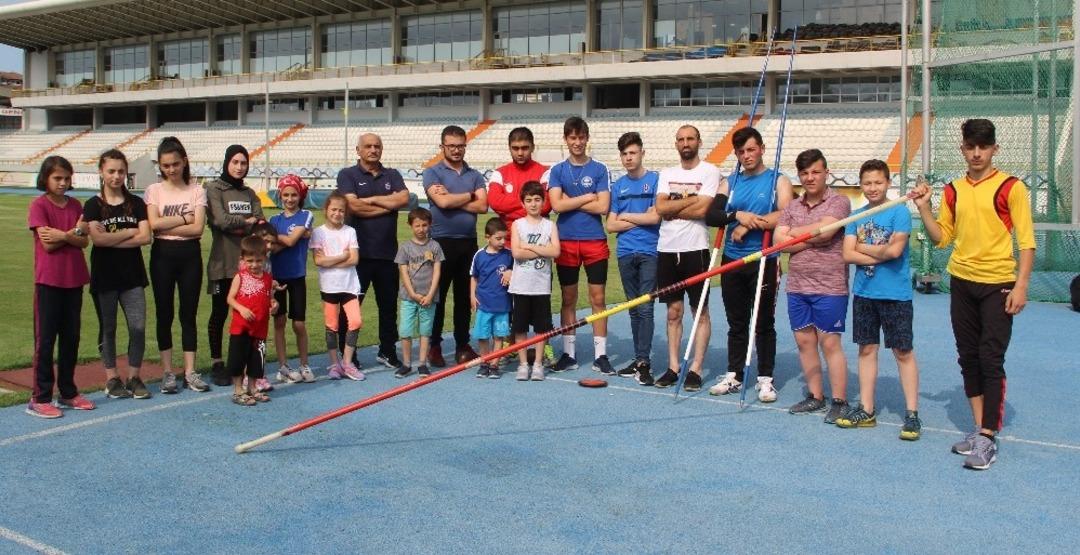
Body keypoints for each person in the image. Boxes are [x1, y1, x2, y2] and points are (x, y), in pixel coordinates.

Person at [912, 118, 1035, 470]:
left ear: (994, 148)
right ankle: (980, 431)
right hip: (962, 283)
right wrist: (924, 208)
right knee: (968, 357)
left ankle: (989, 436)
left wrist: (1021, 285)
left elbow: (1026, 242)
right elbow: (942, 238)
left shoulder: (1011, 187)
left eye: (984, 146)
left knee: (990, 358)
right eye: (971, 146)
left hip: (998, 284)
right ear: (963, 149)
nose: (977, 153)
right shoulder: (952, 190)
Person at [837, 159, 922, 439]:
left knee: (902, 351)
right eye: (867, 183)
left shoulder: (899, 212)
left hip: (895, 295)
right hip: (864, 293)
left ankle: (911, 414)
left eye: (878, 182)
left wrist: (861, 246)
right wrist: (878, 249)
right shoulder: (856, 215)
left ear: (888, 183)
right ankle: (867, 408)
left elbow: (895, 252)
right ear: (861, 185)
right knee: (866, 350)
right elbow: (847, 256)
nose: (873, 188)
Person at [708, 127, 794, 403]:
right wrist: (738, 215)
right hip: (732, 260)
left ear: (762, 149)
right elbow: (713, 215)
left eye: (751, 149)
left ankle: (765, 379)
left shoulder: (778, 180)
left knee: (763, 322)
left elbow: (786, 214)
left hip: (764, 259)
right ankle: (733, 373)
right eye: (741, 151)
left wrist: (747, 226)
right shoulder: (729, 182)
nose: (746, 155)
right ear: (736, 154)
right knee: (736, 321)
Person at [774, 149, 852, 423]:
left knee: (829, 343)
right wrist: (813, 235)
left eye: (815, 172)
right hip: (797, 286)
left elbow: (828, 231)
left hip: (829, 286)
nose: (810, 178)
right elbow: (778, 241)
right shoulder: (793, 207)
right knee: (804, 342)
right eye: (805, 173)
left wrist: (797, 237)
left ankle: (839, 400)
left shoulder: (839, 202)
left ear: (826, 173)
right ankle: (816, 397)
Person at [652, 125, 723, 392]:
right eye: (681, 139)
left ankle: (696, 368)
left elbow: (704, 208)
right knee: (673, 312)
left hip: (695, 249)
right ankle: (673, 366)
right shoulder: (667, 173)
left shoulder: (709, 171)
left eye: (690, 138)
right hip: (667, 249)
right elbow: (660, 207)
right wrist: (690, 203)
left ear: (699, 142)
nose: (685, 143)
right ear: (676, 144)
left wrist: (675, 206)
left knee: (699, 311)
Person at [84, 149, 153, 401]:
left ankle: (134, 377)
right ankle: (111, 378)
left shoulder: (136, 203)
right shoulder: (93, 204)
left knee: (137, 327)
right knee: (109, 328)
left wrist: (112, 238)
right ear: (101, 172)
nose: (116, 176)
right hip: (105, 276)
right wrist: (128, 233)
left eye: (121, 171)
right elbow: (98, 240)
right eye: (111, 171)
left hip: (132, 276)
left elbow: (146, 237)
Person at [26, 156, 93, 418]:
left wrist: (64, 235)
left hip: (74, 280)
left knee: (71, 338)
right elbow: (47, 244)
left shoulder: (76, 204)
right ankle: (40, 397)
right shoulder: (39, 205)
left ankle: (67, 391)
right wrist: (72, 234)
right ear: (46, 178)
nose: (63, 183)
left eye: (66, 178)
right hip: (48, 281)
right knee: (45, 340)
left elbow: (84, 241)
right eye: (57, 178)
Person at [545, 116, 612, 375]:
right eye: (572, 138)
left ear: (587, 138)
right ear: (566, 140)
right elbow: (557, 206)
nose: (577, 142)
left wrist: (569, 199)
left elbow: (603, 207)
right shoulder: (558, 170)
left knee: (598, 298)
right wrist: (586, 197)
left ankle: (601, 354)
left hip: (594, 241)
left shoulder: (599, 169)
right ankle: (569, 353)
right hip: (566, 242)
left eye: (581, 137)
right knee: (568, 298)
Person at [337, 132, 410, 371]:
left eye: (377, 146)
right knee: (352, 306)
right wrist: (387, 205)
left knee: (388, 307)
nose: (373, 149)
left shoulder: (393, 174)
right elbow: (353, 206)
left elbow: (404, 199)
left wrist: (371, 201)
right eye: (368, 146)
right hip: (359, 253)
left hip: (388, 253)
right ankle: (348, 354)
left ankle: (387, 351)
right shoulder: (347, 174)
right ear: (358, 150)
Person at [487, 126, 555, 367]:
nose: (520, 152)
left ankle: (542, 347)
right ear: (509, 148)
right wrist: (526, 206)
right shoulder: (499, 173)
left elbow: (545, 207)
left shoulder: (545, 172)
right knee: (505, 300)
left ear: (532, 147)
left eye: (525, 147)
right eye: (515, 148)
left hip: (538, 249)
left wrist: (512, 206)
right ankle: (509, 345)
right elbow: (494, 202)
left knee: (538, 300)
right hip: (505, 248)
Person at [145, 137, 208, 395]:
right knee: (164, 313)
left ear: (184, 162)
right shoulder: (154, 190)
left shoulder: (196, 191)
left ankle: (190, 371)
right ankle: (168, 372)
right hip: (162, 255)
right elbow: (154, 225)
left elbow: (198, 228)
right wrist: (183, 217)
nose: (171, 169)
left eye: (175, 164)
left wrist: (168, 221)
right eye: (166, 165)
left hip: (189, 256)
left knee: (188, 314)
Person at [423, 125, 488, 367]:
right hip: (440, 242)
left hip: (468, 243)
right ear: (442, 147)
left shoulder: (474, 175)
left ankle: (462, 344)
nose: (456, 150)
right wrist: (470, 195)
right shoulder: (432, 173)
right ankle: (435, 345)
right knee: (437, 297)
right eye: (451, 146)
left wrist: (454, 199)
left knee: (464, 297)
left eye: (460, 145)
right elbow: (441, 201)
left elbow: (483, 206)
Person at [604, 131, 660, 385]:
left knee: (646, 307)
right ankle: (639, 359)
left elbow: (655, 218)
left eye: (633, 153)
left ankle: (644, 362)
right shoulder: (618, 186)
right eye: (625, 154)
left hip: (649, 250)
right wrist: (638, 218)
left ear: (642, 153)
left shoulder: (655, 181)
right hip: (625, 252)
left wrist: (625, 217)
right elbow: (610, 226)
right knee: (634, 310)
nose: (628, 157)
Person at [205, 145, 263, 387]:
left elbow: (260, 224)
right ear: (227, 162)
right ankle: (218, 362)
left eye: (243, 163)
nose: (240, 167)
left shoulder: (250, 194)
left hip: (248, 265)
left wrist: (241, 225)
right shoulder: (214, 189)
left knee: (247, 314)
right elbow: (219, 220)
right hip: (222, 263)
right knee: (219, 313)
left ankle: (241, 362)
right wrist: (245, 223)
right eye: (235, 162)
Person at [509, 181, 560, 381]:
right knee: (520, 327)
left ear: (543, 202)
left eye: (537, 200)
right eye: (529, 200)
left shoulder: (549, 225)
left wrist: (530, 247)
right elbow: (516, 253)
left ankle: (538, 363)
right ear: (523, 203)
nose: (533, 204)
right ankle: (523, 363)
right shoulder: (518, 225)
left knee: (541, 327)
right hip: (521, 285)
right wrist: (541, 248)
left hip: (541, 286)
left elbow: (555, 251)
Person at [311, 192, 364, 381]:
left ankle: (347, 363)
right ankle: (334, 364)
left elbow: (355, 259)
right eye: (334, 209)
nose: (337, 213)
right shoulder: (318, 232)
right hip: (329, 287)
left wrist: (330, 261)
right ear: (326, 210)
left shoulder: (350, 231)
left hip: (349, 286)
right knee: (331, 326)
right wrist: (342, 257)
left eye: (341, 210)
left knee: (355, 322)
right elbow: (318, 261)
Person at [270, 174, 315, 384]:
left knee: (298, 324)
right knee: (278, 322)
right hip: (276, 277)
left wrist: (276, 238)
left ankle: (304, 365)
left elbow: (289, 241)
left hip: (297, 276)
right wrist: (286, 240)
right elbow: (275, 246)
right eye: (286, 195)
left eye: (293, 194)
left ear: (300, 195)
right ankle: (283, 366)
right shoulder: (274, 220)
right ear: (280, 196)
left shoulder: (305, 216)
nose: (289, 199)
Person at [225, 235, 276, 406]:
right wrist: (242, 308)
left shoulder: (268, 279)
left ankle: (252, 388)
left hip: (260, 327)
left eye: (258, 260)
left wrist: (274, 305)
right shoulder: (240, 276)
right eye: (250, 261)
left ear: (264, 259)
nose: (254, 265)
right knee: (238, 358)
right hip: (241, 327)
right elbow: (230, 298)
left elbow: (270, 299)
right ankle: (238, 390)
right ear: (243, 259)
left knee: (256, 360)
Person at [394, 208, 445, 379]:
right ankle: (407, 363)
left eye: (424, 225)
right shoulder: (405, 248)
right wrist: (413, 294)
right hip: (409, 298)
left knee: (425, 331)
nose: (421, 229)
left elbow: (437, 272)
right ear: (410, 225)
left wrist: (430, 295)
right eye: (417, 225)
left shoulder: (435, 246)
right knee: (406, 331)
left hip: (429, 298)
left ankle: (422, 363)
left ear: (430, 225)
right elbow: (404, 273)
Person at [470, 218, 514, 379]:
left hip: (502, 305)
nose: (502, 241)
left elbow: (517, 272)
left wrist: (511, 272)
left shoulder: (509, 255)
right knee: (483, 336)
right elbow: (474, 277)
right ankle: (484, 362)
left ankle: (494, 365)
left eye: (504, 238)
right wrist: (472, 296)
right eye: (498, 238)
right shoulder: (479, 256)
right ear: (487, 237)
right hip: (484, 304)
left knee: (498, 336)